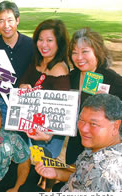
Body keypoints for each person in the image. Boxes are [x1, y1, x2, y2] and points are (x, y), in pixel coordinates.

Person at [35, 94, 122, 191]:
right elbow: (81, 174)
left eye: (93, 124)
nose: (83, 128)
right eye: (81, 120)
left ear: (115, 126)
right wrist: (57, 173)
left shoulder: (106, 175)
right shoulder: (97, 146)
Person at [66, 28, 122, 164]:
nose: (79, 58)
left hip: (103, 151)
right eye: (74, 53)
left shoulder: (113, 81)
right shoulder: (70, 77)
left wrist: (107, 105)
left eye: (85, 51)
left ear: (97, 52)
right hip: (76, 144)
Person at [19, 19, 70, 158]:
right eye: (40, 39)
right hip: (33, 125)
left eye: (49, 40)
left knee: (47, 167)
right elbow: (24, 79)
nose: (43, 44)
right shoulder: (38, 60)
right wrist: (23, 86)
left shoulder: (60, 69)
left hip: (48, 134)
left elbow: (62, 110)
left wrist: (49, 135)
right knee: (36, 164)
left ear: (59, 43)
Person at [0, 1, 35, 125]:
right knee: (2, 140)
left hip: (26, 101)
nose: (6, 25)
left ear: (17, 20)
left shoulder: (31, 45)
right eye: (1, 21)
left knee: (25, 141)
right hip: (1, 101)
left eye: (10, 20)